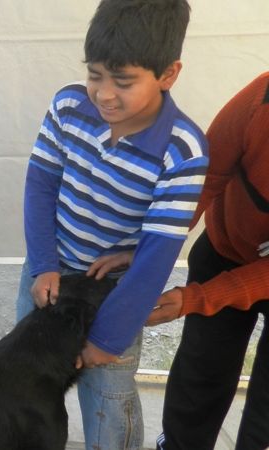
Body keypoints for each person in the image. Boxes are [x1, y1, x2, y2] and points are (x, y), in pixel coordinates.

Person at [15, 0, 208, 449]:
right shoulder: (68, 105)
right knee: (27, 383)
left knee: (109, 404)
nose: (104, 94)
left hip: (114, 294)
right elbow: (39, 188)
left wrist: (109, 338)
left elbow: (157, 258)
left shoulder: (183, 151)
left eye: (123, 82)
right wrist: (44, 264)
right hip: (48, 273)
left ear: (168, 74)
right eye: (95, 74)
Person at [146, 72, 269, 450]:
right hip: (224, 248)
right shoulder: (261, 97)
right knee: (204, 367)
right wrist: (152, 262)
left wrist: (193, 299)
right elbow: (206, 178)